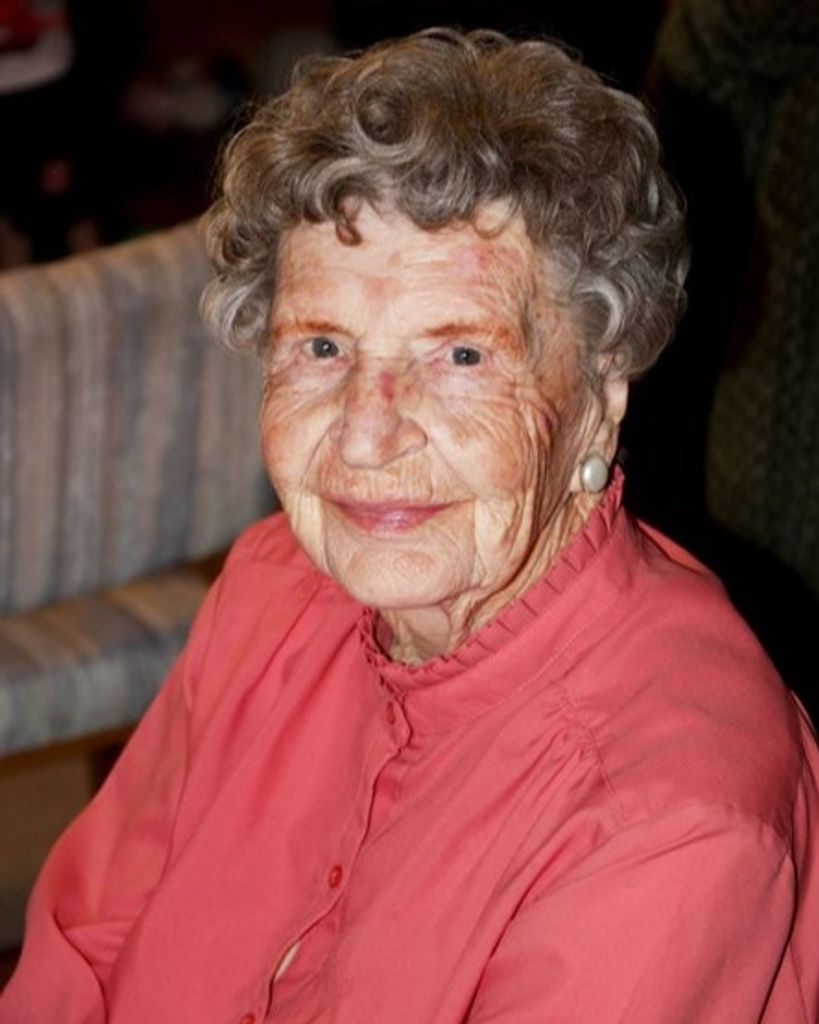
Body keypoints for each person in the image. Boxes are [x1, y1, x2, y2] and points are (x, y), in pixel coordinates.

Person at [2, 27, 818, 1023]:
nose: (365, 435)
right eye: (322, 346)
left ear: (603, 389)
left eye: (461, 356)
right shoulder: (272, 584)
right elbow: (86, 942)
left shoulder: (672, 815)